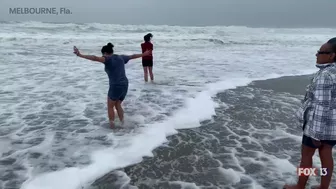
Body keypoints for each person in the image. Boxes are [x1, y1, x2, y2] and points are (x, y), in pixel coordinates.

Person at [284, 37, 336, 189]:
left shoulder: (326, 76)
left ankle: (300, 186)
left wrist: (315, 133)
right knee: (327, 156)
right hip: (333, 126)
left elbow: (322, 105)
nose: (317, 54)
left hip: (317, 126)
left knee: (306, 156)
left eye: (320, 52)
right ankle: (323, 187)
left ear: (331, 55)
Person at [73, 43, 152, 128]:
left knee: (110, 106)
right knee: (118, 104)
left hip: (115, 85)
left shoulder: (107, 59)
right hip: (125, 84)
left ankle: (112, 126)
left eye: (103, 54)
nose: (102, 56)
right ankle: (123, 123)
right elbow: (133, 56)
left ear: (105, 53)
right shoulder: (121, 57)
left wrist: (80, 55)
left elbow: (95, 58)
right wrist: (144, 54)